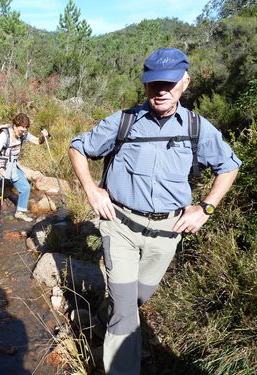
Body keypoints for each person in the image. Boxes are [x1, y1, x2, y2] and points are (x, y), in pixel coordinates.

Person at [68, 48, 241, 375]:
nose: (161, 90)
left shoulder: (196, 128)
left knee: (136, 299)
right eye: (153, 84)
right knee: (124, 309)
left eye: (169, 83)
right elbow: (79, 147)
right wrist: (92, 190)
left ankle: (112, 316)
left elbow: (229, 166)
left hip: (167, 233)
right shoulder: (125, 121)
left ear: (185, 83)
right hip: (120, 226)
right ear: (145, 84)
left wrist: (205, 208)